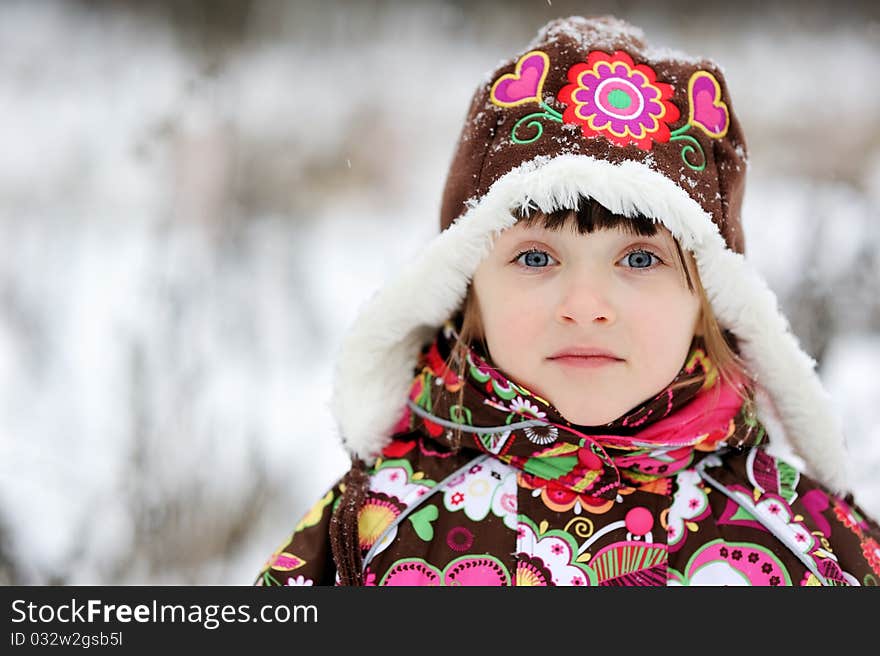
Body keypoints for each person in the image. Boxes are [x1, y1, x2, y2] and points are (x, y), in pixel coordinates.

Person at [254, 15, 880, 586]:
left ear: (712, 301)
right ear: (466, 287)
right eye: (535, 258)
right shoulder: (375, 528)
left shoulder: (802, 542)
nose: (585, 305)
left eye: (639, 259)